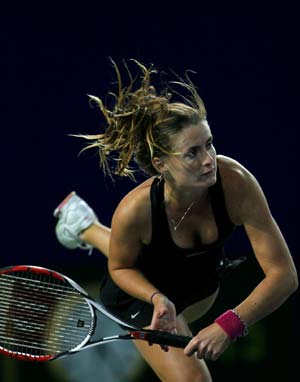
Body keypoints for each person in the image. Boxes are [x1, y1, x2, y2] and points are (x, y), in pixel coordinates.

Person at [54, 60, 298, 382]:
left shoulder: (236, 183)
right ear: (161, 163)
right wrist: (157, 298)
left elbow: (284, 275)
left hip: (199, 289)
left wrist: (229, 324)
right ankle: (85, 226)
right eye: (192, 153)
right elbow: (121, 267)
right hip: (144, 301)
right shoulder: (135, 210)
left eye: (209, 144)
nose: (209, 160)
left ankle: (82, 224)